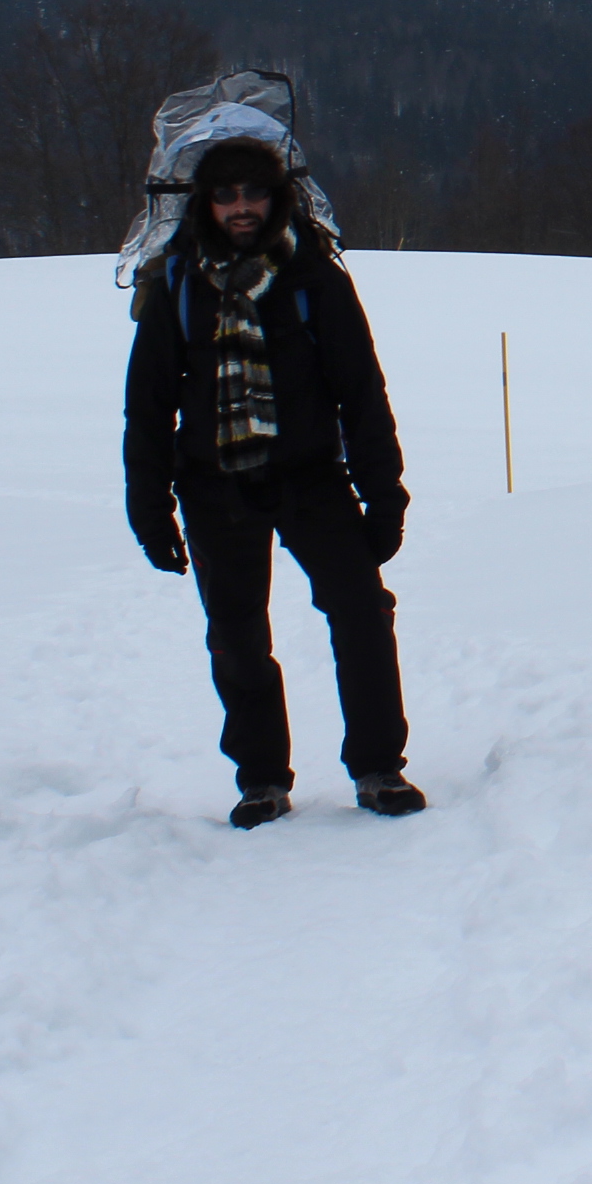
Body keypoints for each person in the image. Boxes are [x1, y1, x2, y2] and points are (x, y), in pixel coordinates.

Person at [122, 136, 424, 828]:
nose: (241, 207)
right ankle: (261, 781)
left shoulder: (314, 277)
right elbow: (148, 405)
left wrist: (385, 496)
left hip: (312, 477)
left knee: (363, 614)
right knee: (237, 638)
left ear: (276, 197)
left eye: (253, 192)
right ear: (205, 203)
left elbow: (361, 393)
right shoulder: (179, 283)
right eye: (225, 195)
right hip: (213, 484)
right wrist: (149, 508)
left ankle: (379, 768)